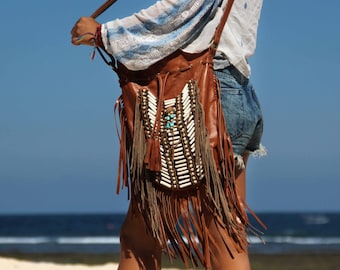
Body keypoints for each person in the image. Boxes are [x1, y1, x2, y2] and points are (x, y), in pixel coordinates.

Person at [71, 0, 265, 269]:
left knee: (139, 240)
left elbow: (182, 10)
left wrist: (104, 34)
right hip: (237, 92)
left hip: (200, 92)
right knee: (226, 236)